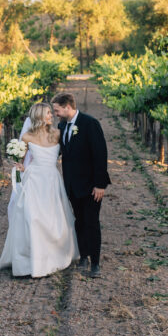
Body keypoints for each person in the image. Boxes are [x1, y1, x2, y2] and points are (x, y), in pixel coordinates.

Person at [0, 102, 79, 278]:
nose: (51, 116)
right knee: (32, 218)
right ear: (39, 116)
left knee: (53, 219)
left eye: (51, 112)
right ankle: (30, 261)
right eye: (48, 113)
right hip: (34, 180)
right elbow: (22, 160)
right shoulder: (27, 137)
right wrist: (18, 167)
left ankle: (52, 257)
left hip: (51, 180)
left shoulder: (58, 134)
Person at [52, 92, 110, 278]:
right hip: (72, 185)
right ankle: (83, 256)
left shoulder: (89, 123)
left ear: (67, 107)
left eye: (57, 110)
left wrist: (100, 184)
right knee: (79, 221)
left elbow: (100, 155)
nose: (55, 114)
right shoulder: (62, 126)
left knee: (92, 222)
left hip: (91, 185)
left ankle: (96, 264)